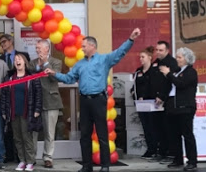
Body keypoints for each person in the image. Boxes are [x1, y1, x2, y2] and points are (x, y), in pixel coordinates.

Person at [46, 28, 141, 172]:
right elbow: (69, 78)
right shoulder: (79, 64)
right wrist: (54, 74)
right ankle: (86, 165)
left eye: (84, 46)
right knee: (84, 135)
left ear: (92, 46)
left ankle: (105, 166)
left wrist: (131, 39)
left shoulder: (104, 60)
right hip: (84, 101)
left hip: (98, 100)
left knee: (102, 134)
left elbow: (120, 52)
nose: (82, 48)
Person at [1, 53, 42, 172]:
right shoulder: (9, 77)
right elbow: (4, 95)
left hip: (27, 112)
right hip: (13, 112)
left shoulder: (32, 77)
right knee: (17, 138)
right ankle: (22, 160)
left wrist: (37, 110)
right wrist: (4, 111)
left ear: (25, 62)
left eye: (19, 59)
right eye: (15, 60)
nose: (17, 61)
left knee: (27, 138)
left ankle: (30, 161)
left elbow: (38, 95)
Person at [159, 47, 199, 171]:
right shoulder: (176, 71)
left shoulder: (190, 72)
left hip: (185, 107)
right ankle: (177, 159)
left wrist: (168, 74)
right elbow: (170, 86)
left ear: (187, 59)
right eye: (177, 57)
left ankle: (192, 160)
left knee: (187, 134)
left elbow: (181, 84)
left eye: (180, 57)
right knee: (173, 135)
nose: (177, 59)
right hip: (172, 106)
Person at [29, 39, 63, 169]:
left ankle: (48, 157)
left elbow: (54, 77)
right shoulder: (32, 63)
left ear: (47, 49)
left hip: (51, 101)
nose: (37, 50)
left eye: (39, 48)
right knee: (33, 131)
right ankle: (31, 157)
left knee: (49, 132)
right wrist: (40, 64)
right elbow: (32, 74)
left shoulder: (56, 62)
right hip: (35, 101)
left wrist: (45, 63)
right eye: (36, 48)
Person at [0, 34, 29, 162]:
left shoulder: (24, 55)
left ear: (11, 41)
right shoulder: (0, 59)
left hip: (22, 97)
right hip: (7, 96)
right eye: (0, 43)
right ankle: (10, 155)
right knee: (8, 129)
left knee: (23, 131)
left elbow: (30, 72)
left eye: (4, 41)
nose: (3, 44)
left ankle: (23, 157)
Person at [151, 40, 179, 164]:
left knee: (168, 128)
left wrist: (162, 96)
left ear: (167, 51)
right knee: (158, 127)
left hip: (167, 101)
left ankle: (170, 152)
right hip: (156, 100)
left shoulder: (171, 63)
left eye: (161, 50)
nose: (158, 52)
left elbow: (169, 82)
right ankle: (161, 151)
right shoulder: (156, 63)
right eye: (157, 50)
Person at [132, 46, 160, 160]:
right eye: (140, 57)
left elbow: (155, 86)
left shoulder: (154, 71)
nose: (141, 59)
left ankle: (156, 148)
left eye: (143, 57)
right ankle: (150, 148)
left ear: (149, 57)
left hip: (152, 103)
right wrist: (135, 96)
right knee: (145, 127)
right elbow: (134, 86)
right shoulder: (138, 71)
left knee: (154, 126)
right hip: (140, 103)